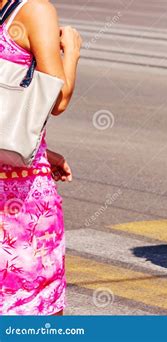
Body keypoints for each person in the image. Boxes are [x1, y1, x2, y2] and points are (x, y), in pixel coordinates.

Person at [0, 0, 81, 315]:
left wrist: (43, 152)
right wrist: (71, 52)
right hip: (22, 201)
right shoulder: (34, 10)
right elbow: (57, 99)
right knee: (36, 312)